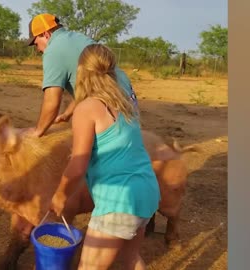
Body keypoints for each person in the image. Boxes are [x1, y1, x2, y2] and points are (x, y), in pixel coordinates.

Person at [50, 44, 160, 270]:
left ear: (80, 71)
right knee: (130, 258)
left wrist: (61, 195)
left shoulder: (87, 108)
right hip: (146, 191)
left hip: (119, 200)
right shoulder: (125, 104)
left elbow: (78, 164)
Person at [24, 13, 138, 137]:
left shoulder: (53, 51)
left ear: (46, 34)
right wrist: (67, 114)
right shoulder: (77, 37)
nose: (38, 49)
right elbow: (86, 87)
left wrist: (38, 131)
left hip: (109, 109)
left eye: (36, 43)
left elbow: (52, 101)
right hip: (128, 100)